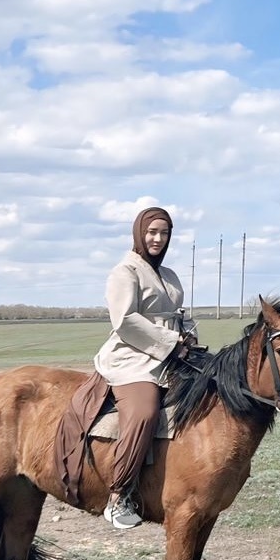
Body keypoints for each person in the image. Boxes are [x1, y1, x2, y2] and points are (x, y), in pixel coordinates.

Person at [93, 207, 195, 529]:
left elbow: (179, 313)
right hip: (132, 356)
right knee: (145, 411)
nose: (158, 238)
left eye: (164, 233)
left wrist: (189, 337)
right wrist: (170, 341)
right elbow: (125, 320)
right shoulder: (125, 272)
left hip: (171, 353)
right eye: (152, 232)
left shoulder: (170, 276)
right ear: (139, 232)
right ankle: (119, 493)